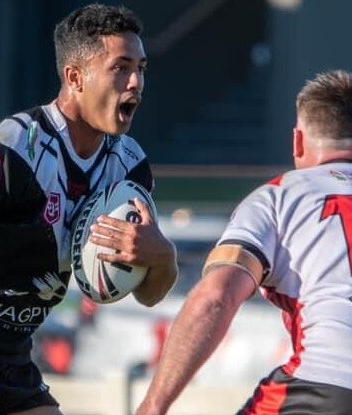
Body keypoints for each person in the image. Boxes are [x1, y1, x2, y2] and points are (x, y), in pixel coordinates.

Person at [0, 4, 178, 415]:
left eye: (142, 68)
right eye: (121, 68)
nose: (136, 83)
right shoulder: (12, 151)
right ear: (74, 77)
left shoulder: (129, 168)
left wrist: (162, 255)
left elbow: (149, 293)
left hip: (11, 360)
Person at [136, 69, 352, 415]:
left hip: (327, 385)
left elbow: (216, 298)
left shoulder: (278, 198)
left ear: (298, 141)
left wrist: (153, 406)